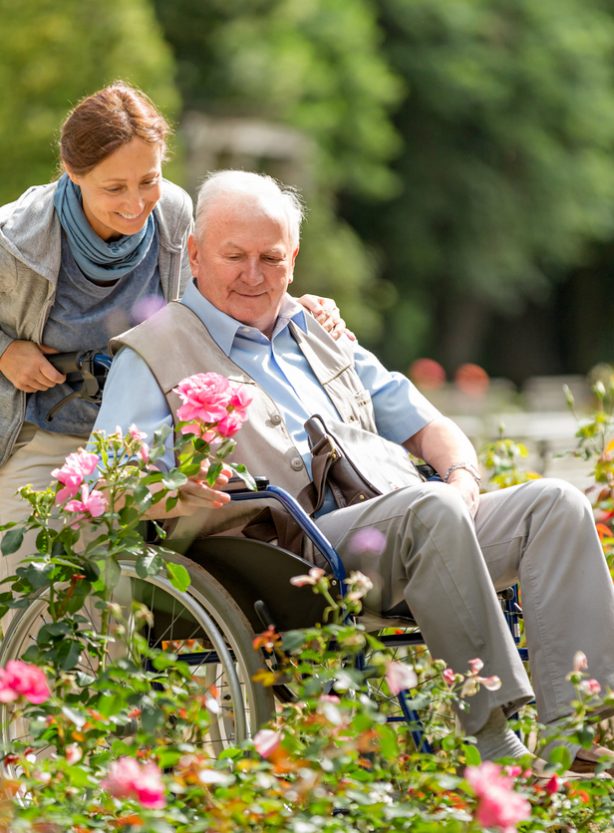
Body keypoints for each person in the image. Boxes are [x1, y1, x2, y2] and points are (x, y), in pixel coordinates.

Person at [93, 170, 614, 772]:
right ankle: (491, 736)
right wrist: (174, 491)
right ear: (195, 254)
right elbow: (117, 478)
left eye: (271, 257)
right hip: (284, 554)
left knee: (554, 503)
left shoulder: (318, 331)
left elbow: (427, 424)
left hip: (403, 526)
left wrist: (463, 476)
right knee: (431, 507)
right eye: (234, 255)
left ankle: (572, 733)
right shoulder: (153, 353)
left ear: (294, 258)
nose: (253, 274)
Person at [0, 83, 343, 579]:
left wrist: (294, 303)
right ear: (73, 175)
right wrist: (7, 351)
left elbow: (216, 296)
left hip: (146, 429)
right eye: (114, 188)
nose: (136, 203)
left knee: (125, 595)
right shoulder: (16, 237)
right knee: (25, 574)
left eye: (148, 179)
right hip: (48, 430)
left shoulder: (174, 214)